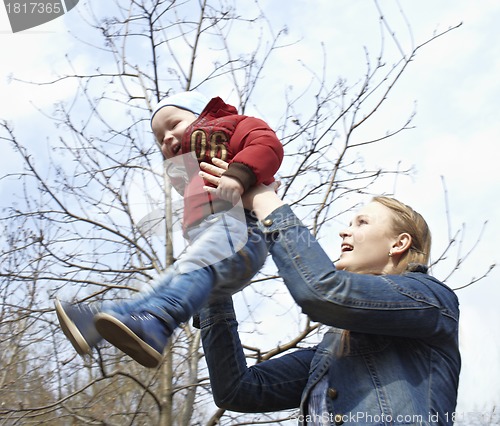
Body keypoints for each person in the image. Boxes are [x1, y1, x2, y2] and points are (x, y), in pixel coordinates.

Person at [196, 158, 460, 425]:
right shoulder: (331, 352)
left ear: (399, 243)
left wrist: (264, 202)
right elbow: (238, 390)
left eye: (362, 222)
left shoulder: (431, 300)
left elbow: (322, 291)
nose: (344, 232)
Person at [55, 91, 283, 368]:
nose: (167, 138)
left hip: (242, 229)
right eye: (159, 137)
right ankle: (101, 321)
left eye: (174, 124)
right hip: (218, 238)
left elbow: (266, 144)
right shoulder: (190, 173)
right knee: (168, 280)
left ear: (204, 116)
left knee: (192, 269)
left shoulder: (231, 127)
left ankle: (159, 322)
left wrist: (239, 175)